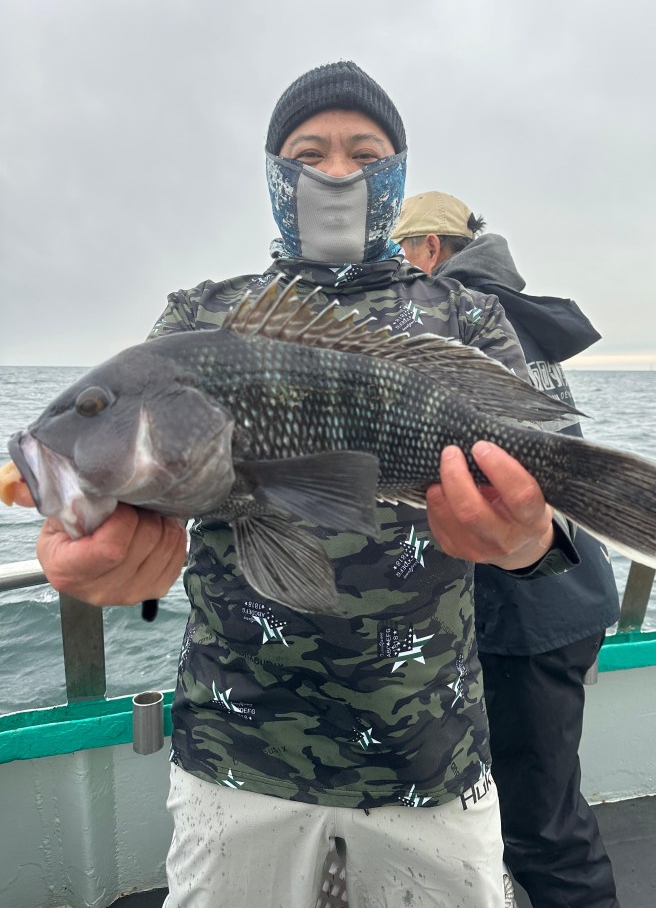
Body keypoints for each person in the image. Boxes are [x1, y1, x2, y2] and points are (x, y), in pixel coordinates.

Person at [29, 63, 581, 908]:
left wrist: (534, 538)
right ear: (273, 171)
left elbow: (560, 470)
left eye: (364, 151)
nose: (334, 172)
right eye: (308, 151)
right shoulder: (197, 318)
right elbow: (133, 508)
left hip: (428, 754)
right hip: (234, 757)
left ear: (396, 169)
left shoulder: (469, 316)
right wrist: (97, 557)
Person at [393, 191, 621, 908]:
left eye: (401, 251)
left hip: (531, 614)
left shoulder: (462, 322)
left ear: (431, 249)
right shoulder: (519, 321)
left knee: (540, 828)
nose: (396, 270)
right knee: (529, 808)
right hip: (566, 593)